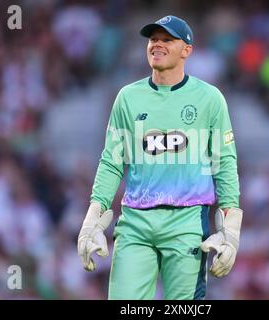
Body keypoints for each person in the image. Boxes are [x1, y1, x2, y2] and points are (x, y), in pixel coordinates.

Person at [77, 15, 243, 300]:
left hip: (188, 222)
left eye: (167, 40)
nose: (157, 44)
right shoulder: (128, 98)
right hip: (135, 223)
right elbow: (112, 161)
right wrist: (93, 219)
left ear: (187, 50)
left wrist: (230, 229)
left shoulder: (209, 99)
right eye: (154, 39)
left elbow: (224, 162)